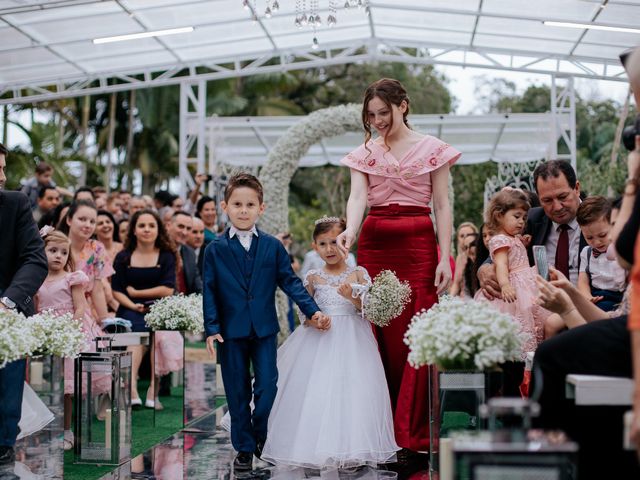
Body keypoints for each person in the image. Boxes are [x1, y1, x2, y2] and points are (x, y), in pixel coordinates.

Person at [336, 78, 459, 456]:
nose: (377, 121)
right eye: (371, 115)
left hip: (419, 242)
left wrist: (444, 256)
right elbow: (358, 196)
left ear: (402, 106)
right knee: (377, 332)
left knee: (416, 330)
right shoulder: (363, 153)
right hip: (376, 241)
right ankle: (376, 427)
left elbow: (442, 205)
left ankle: (411, 429)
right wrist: (350, 231)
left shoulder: (433, 149)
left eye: (383, 113)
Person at [203, 173, 329, 473]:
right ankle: (244, 449)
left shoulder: (273, 247)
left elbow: (291, 282)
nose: (243, 210)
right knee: (236, 390)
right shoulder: (215, 249)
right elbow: (209, 290)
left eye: (250, 204)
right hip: (229, 333)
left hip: (264, 329)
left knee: (268, 387)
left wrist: (312, 310)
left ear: (261, 208)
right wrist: (212, 328)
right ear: (225, 207)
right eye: (237, 204)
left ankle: (260, 433)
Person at [262, 217, 399, 469]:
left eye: (335, 242)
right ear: (315, 247)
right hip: (320, 340)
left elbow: (370, 311)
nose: (330, 249)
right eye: (323, 244)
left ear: (346, 242)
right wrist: (315, 320)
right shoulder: (313, 276)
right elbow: (304, 311)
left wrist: (353, 298)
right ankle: (315, 446)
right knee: (320, 390)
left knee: (353, 390)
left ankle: (352, 447)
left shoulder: (359, 273)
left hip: (354, 341)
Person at [35, 228, 109, 450]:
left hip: (71, 337)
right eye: (53, 250)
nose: (58, 256)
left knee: (67, 389)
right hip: (47, 335)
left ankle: (67, 430)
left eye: (63, 252)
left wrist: (68, 333)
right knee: (48, 385)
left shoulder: (72, 278)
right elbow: (37, 308)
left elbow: (80, 307)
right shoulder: (37, 279)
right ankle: (45, 427)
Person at [0, 143, 48, 466]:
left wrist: (8, 302)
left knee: (5, 397)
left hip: (7, 313)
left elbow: (35, 259)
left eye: (3, 168)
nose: (2, 177)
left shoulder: (16, 204)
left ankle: (4, 443)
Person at [478, 160, 586, 299]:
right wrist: (484, 269)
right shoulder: (529, 220)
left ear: (576, 188)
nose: (557, 207)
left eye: (562, 197)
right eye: (547, 200)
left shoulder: (599, 216)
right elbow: (500, 250)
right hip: (541, 306)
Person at [111, 209, 177, 408]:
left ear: (158, 230)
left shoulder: (167, 256)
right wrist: (133, 304)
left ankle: (153, 389)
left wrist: (138, 294)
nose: (147, 229)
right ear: (134, 230)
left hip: (159, 309)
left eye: (151, 225)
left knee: (160, 336)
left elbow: (167, 289)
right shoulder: (123, 257)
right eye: (142, 225)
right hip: (129, 309)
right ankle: (130, 388)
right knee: (136, 335)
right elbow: (117, 289)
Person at [482, 189, 552, 363]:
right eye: (517, 216)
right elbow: (501, 264)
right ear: (499, 216)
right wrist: (505, 285)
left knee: (532, 321)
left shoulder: (512, 238)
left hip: (525, 285)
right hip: (515, 289)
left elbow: (515, 256)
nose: (522, 222)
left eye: (524, 218)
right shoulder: (500, 240)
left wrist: (522, 243)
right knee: (519, 324)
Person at [58, 200, 112, 323]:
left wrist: (105, 321)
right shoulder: (55, 245)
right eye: (82, 219)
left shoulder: (97, 248)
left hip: (85, 310)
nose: (88, 225)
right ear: (69, 220)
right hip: (56, 307)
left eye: (92, 221)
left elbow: (97, 290)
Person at [575, 196, 627, 312]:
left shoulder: (621, 249)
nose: (596, 242)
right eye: (589, 238)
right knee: (554, 321)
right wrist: (587, 297)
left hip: (617, 298)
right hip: (595, 295)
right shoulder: (586, 253)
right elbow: (582, 282)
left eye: (602, 235)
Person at [167, 211, 202, 295]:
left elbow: (198, 287)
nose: (184, 232)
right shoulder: (157, 250)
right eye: (181, 226)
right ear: (168, 226)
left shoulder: (190, 253)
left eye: (188, 228)